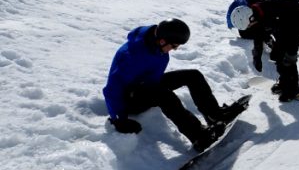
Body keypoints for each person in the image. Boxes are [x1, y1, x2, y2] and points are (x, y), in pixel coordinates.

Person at [103, 19, 246, 151]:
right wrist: (119, 120)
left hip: (147, 85)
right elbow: (111, 89)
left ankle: (215, 115)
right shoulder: (132, 55)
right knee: (163, 94)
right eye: (174, 46)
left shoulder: (156, 47)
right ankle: (198, 135)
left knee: (193, 75)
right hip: (129, 99)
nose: (175, 49)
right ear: (162, 41)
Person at [230, 0, 299, 102]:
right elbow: (258, 34)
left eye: (249, 25)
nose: (250, 27)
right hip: (285, 20)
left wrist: (284, 49)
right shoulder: (256, 13)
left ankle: (293, 90)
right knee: (278, 54)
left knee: (288, 55)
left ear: (250, 18)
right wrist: (257, 57)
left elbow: (281, 30)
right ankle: (284, 83)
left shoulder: (268, 10)